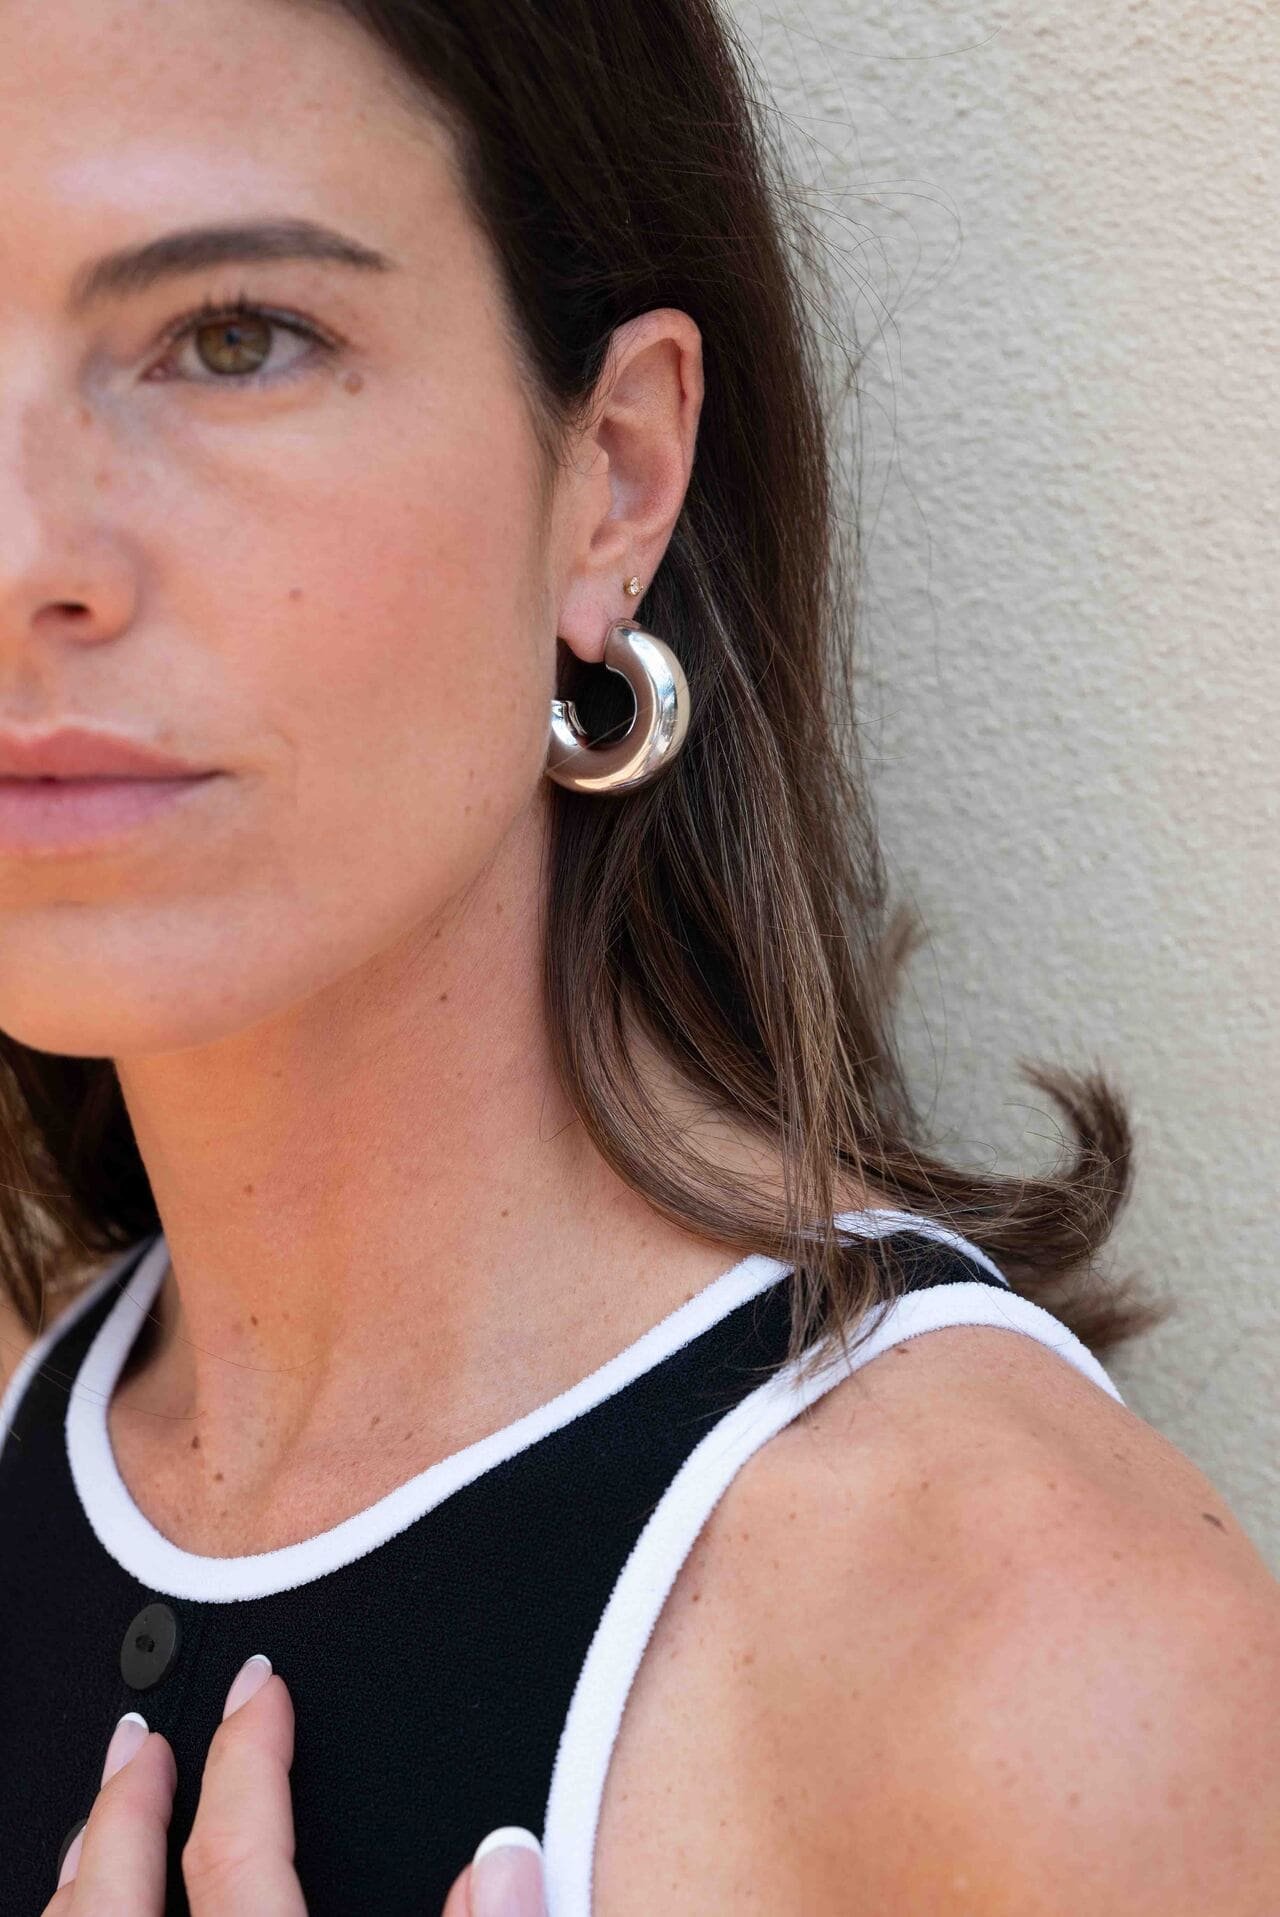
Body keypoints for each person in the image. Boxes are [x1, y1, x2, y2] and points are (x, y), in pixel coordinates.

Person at [0, 0, 1276, 1911]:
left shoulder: (1030, 1656)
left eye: (233, 338)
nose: (24, 555)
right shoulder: (30, 1399)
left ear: (612, 471)